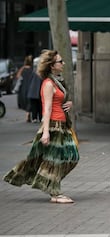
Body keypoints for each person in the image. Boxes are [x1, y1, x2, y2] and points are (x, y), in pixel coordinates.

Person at [3, 50, 79, 204]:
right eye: (60, 61)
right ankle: (54, 193)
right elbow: (47, 108)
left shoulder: (57, 81)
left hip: (63, 125)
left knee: (72, 157)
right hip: (53, 125)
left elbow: (62, 100)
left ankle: (47, 182)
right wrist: (45, 132)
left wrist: (68, 103)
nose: (63, 63)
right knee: (55, 160)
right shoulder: (48, 84)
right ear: (52, 66)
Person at [14, 55, 34, 122]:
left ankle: (27, 114)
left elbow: (18, 76)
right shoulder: (32, 69)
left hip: (23, 87)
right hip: (30, 86)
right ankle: (29, 114)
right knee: (30, 101)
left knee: (25, 101)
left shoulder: (22, 69)